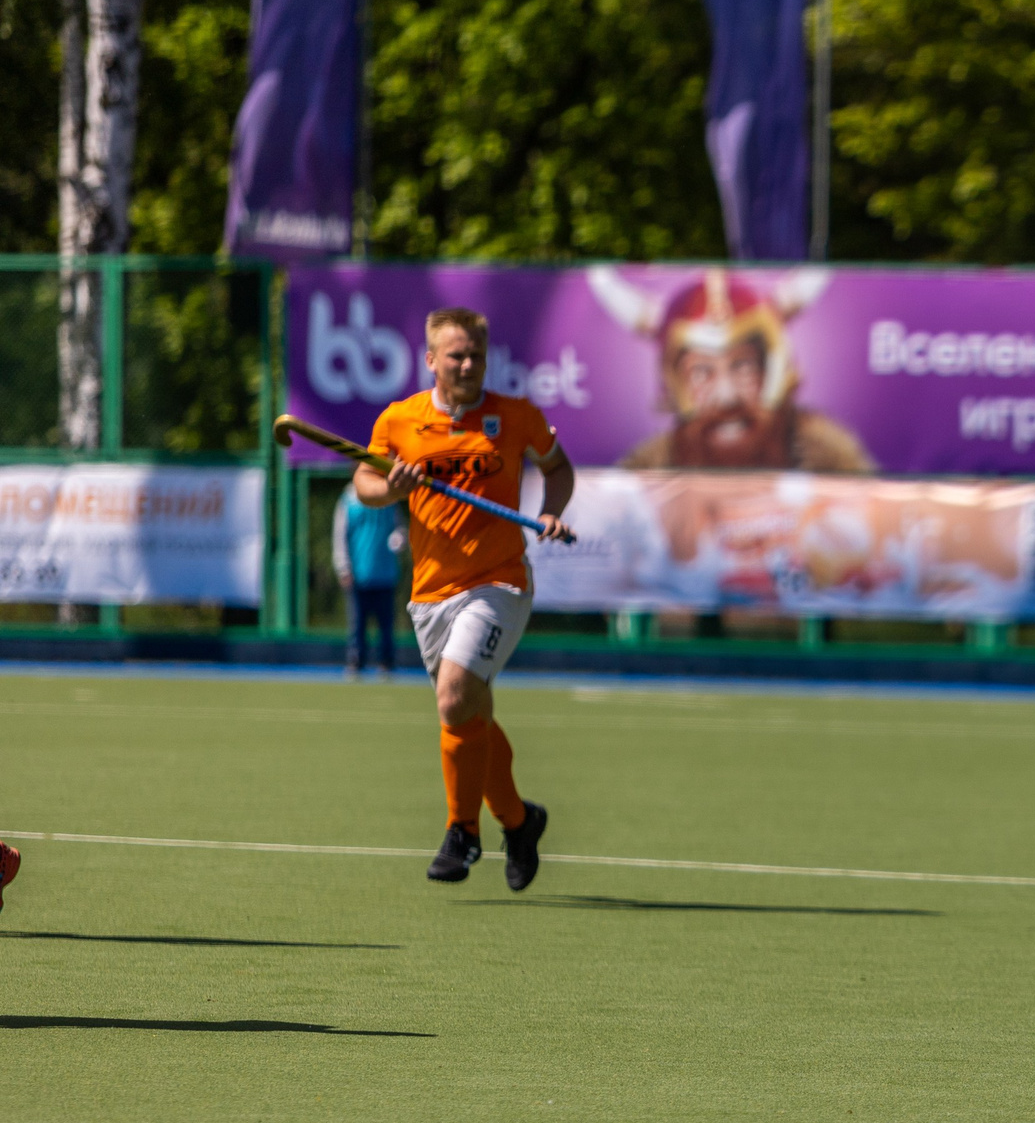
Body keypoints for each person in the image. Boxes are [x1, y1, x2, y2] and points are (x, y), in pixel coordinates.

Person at [353, 307, 574, 890]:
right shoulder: (400, 420)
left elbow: (558, 468)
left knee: (453, 698)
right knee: (471, 713)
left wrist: (551, 511)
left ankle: (463, 831)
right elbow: (364, 483)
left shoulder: (516, 415)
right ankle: (519, 822)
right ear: (431, 360)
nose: (470, 365)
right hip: (430, 594)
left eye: (477, 354)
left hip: (499, 583)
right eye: (457, 355)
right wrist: (390, 488)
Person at [587, 268, 874, 471]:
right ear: (674, 385)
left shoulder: (833, 462)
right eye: (701, 372)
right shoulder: (645, 474)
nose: (727, 397)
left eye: (743, 366)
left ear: (773, 371)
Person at [332, 482, 408, 677]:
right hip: (358, 574)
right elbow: (340, 535)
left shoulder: (390, 498)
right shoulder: (348, 500)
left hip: (385, 574)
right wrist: (343, 567)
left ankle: (386, 662)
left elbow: (400, 529)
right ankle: (356, 662)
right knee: (357, 624)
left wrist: (399, 539)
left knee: (386, 624)